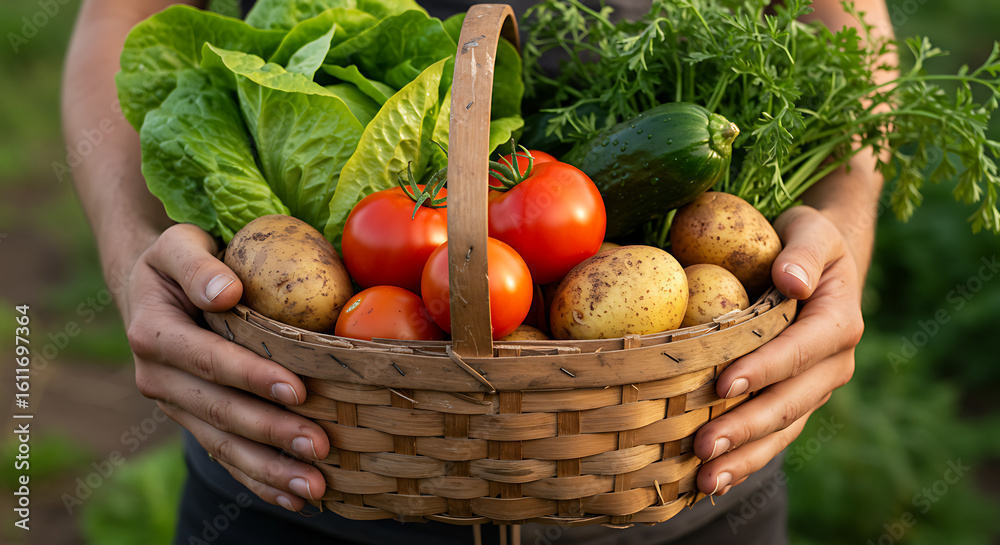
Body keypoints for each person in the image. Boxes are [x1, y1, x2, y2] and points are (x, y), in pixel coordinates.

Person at [63, 0, 895, 542]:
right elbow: (123, 21)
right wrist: (132, 247)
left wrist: (839, 243)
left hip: (694, 468)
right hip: (291, 473)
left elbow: (846, 30)